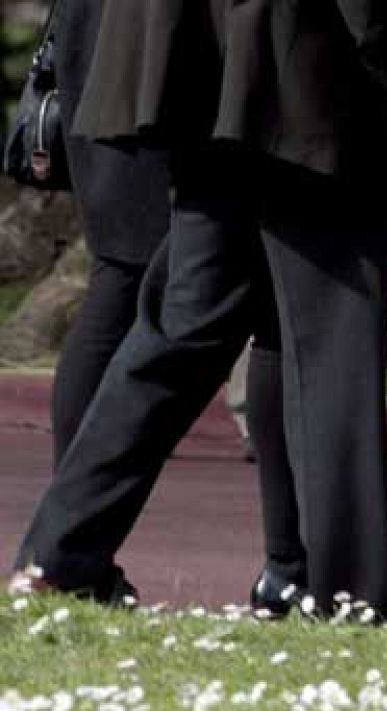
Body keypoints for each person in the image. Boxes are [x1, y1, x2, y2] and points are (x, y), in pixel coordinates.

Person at [9, 0, 387, 625]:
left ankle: (59, 553)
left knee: (183, 326)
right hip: (305, 71)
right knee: (329, 333)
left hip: (200, 60)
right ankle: (353, 590)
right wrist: (386, 49)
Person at [44, 0, 308, 616]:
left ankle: (67, 552)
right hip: (153, 46)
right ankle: (67, 551)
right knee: (137, 289)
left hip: (154, 42)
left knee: (237, 301)